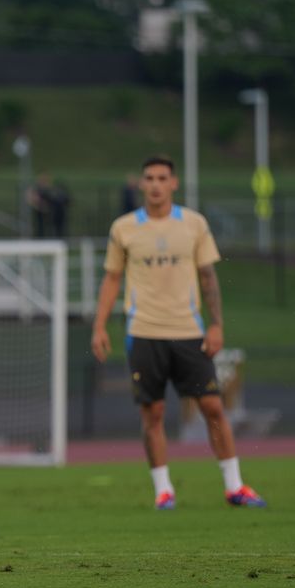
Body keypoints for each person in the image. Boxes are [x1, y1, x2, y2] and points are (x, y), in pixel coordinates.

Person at [90, 155, 266, 511]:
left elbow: (208, 277)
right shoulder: (124, 228)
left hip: (189, 331)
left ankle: (234, 486)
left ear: (174, 183)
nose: (155, 184)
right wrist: (99, 326)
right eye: (149, 178)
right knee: (152, 414)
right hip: (143, 332)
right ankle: (163, 490)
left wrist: (216, 325)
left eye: (162, 178)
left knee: (213, 407)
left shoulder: (194, 224)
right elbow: (112, 279)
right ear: (142, 184)